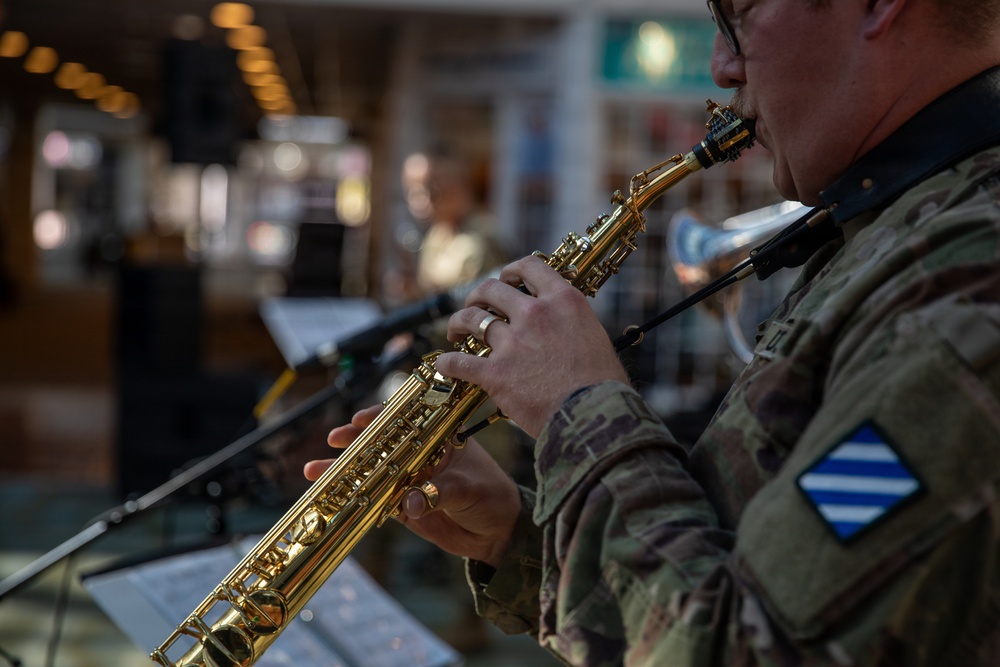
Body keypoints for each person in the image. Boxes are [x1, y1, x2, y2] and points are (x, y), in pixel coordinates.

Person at [306, 1, 1000, 664]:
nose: (723, 66)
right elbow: (736, 567)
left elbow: (741, 649)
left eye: (739, 14)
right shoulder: (894, 225)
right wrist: (523, 538)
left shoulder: (971, 274)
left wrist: (581, 407)